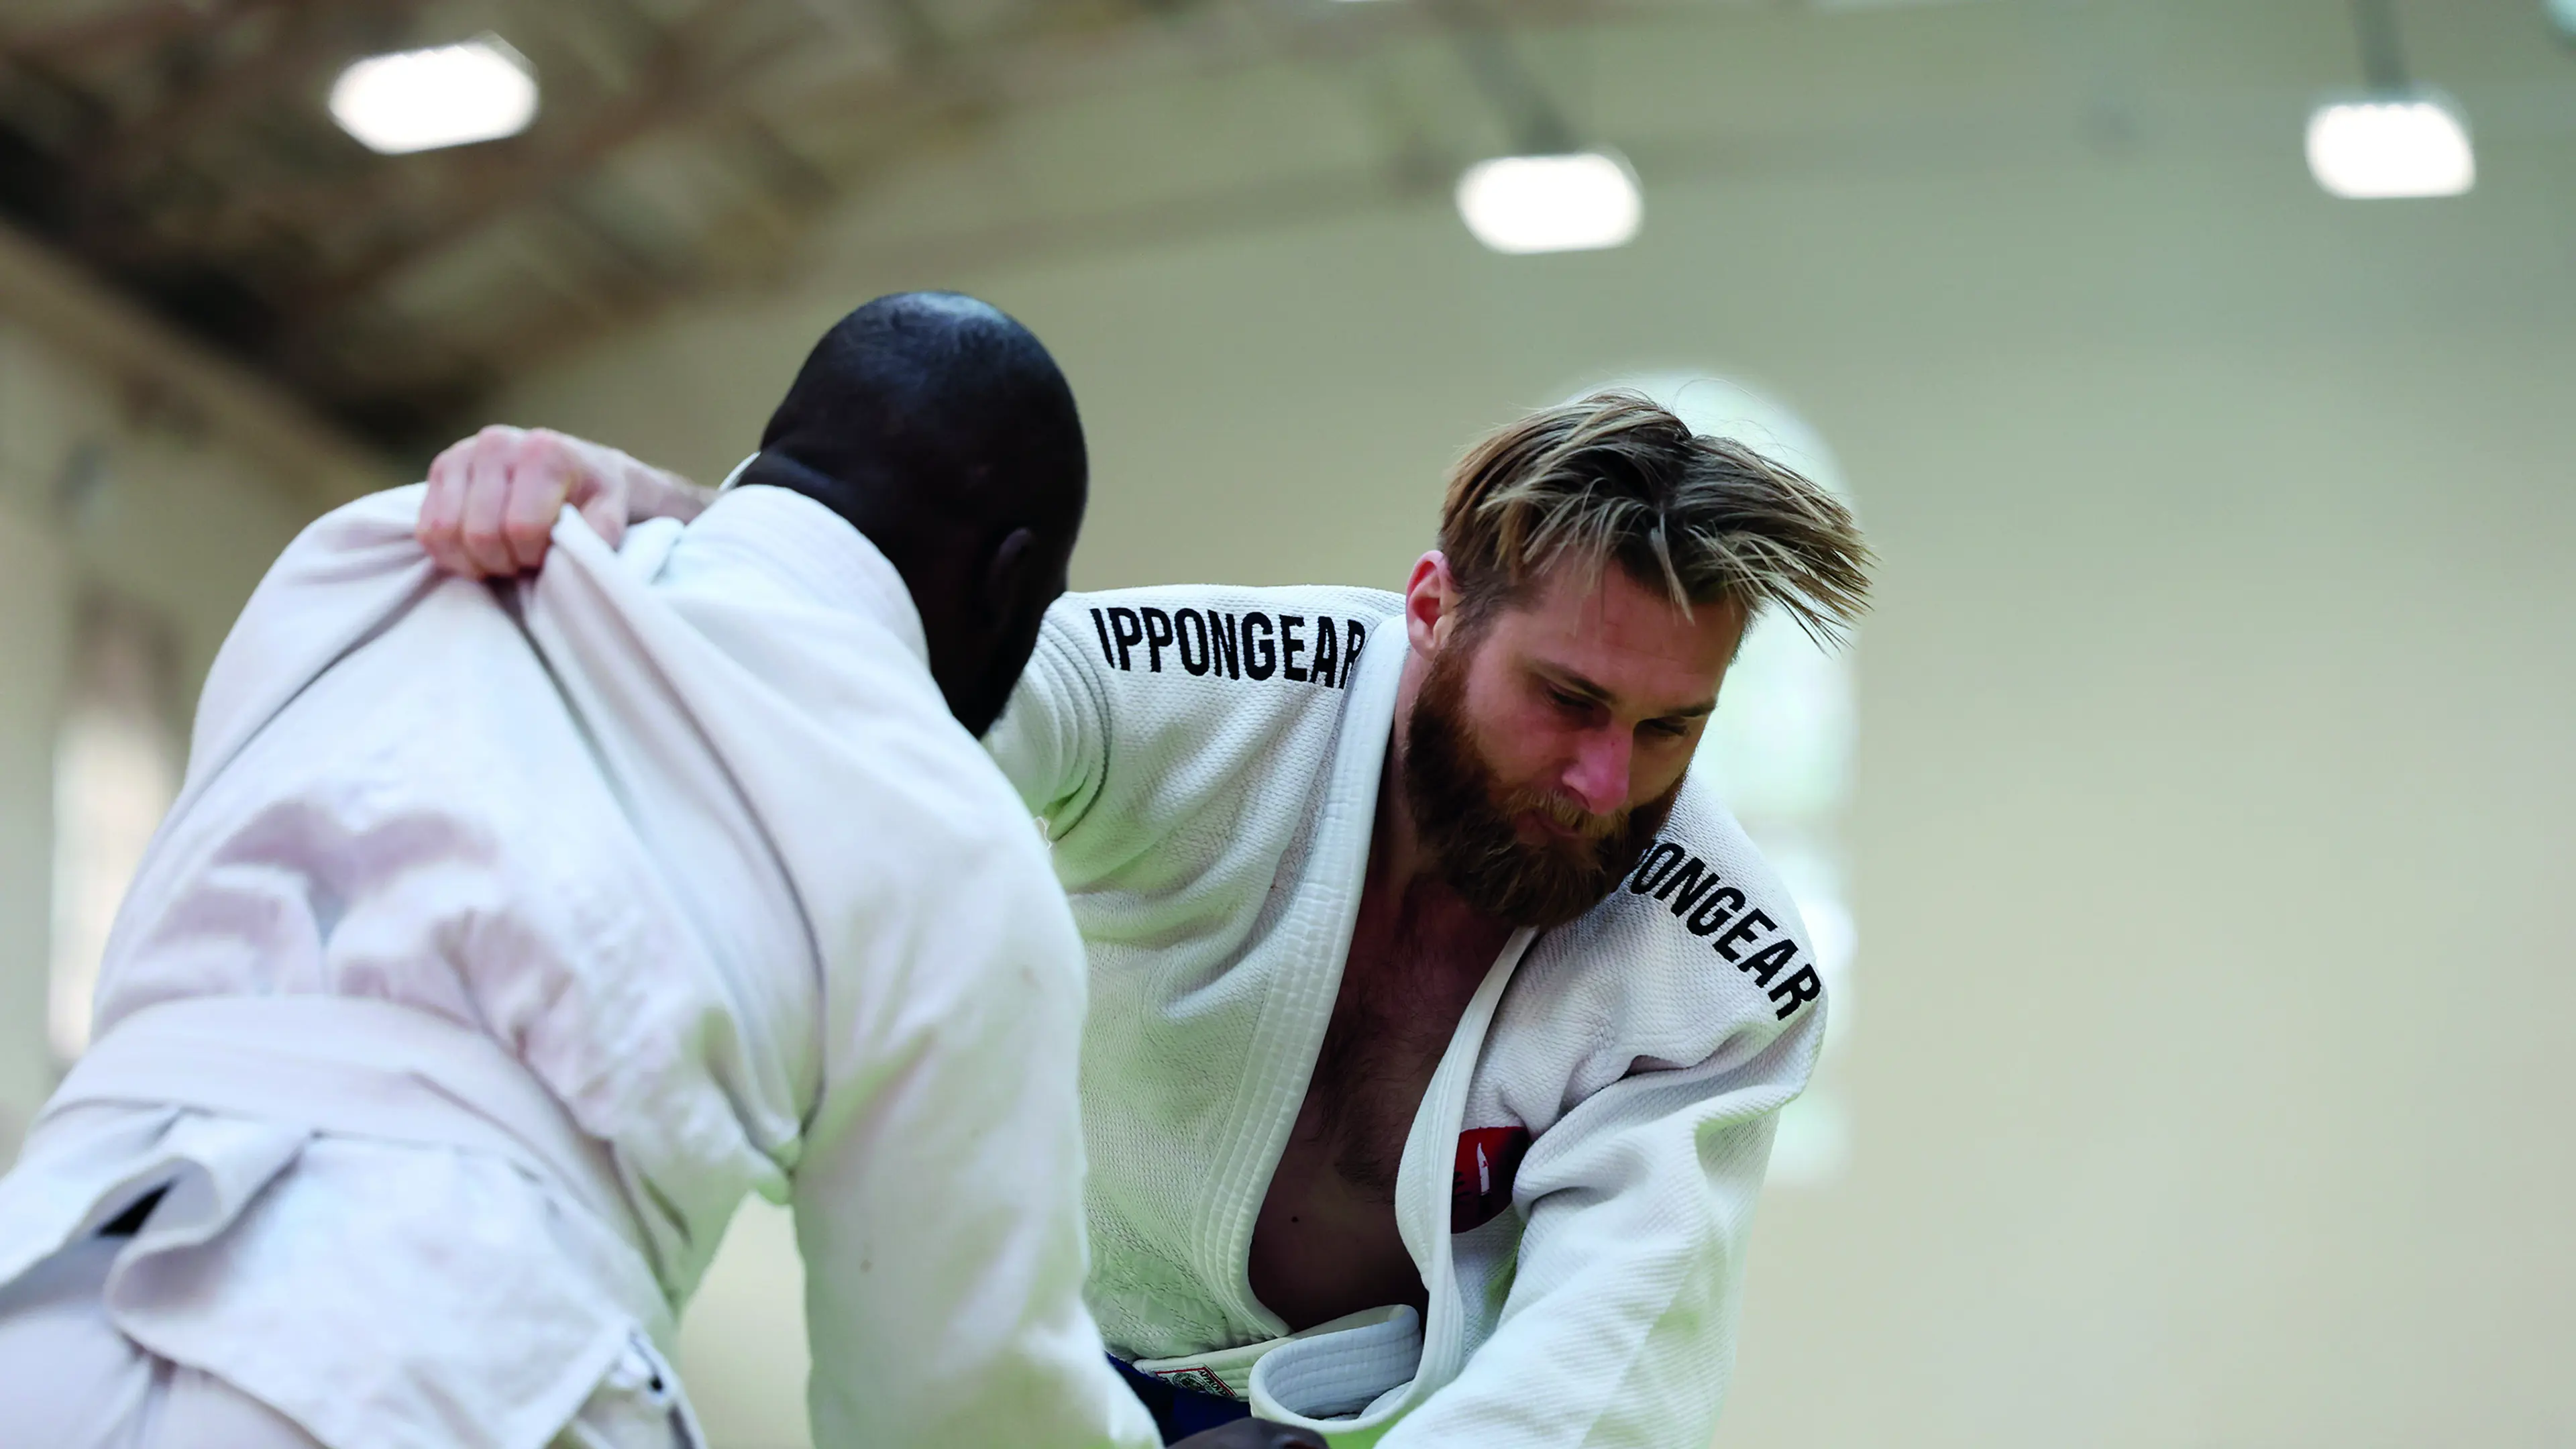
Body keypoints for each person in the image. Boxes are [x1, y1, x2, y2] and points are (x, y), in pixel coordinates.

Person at [420, 388, 1874, 1448]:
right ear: (1433, 604)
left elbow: (1604, 1360)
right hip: (1040, 1373)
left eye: (1674, 729)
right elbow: (879, 668)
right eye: (1567, 701)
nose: (1609, 781)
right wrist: (682, 541)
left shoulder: (1721, 963)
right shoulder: (1204, 688)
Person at [0, 292, 1317, 1449]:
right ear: (1014, 583)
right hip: (427, 1371)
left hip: (51, 1278)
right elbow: (944, 1406)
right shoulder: (950, 829)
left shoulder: (385, 549)